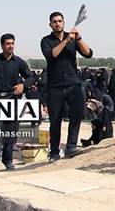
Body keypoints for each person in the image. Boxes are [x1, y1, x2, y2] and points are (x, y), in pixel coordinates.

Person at [41, 12, 94, 163]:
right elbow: (52, 55)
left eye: (60, 21)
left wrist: (78, 38)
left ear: (64, 22)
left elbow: (88, 54)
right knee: (55, 120)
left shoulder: (72, 38)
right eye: (54, 21)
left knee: (77, 113)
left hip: (73, 83)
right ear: (50, 24)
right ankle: (54, 152)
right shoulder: (46, 41)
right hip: (55, 86)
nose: (57, 24)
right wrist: (65, 41)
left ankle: (71, 146)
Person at [0, 34, 35, 170]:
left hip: (12, 99)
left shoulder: (19, 62)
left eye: (12, 43)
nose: (10, 46)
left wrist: (23, 85)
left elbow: (31, 77)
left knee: (11, 131)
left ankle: (8, 160)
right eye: (7, 44)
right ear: (2, 45)